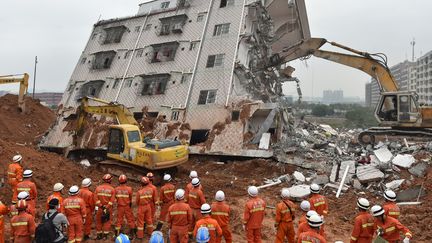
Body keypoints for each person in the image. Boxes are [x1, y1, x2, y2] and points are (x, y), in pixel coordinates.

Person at [94, 174, 115, 240]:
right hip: (108, 209)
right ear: (109, 180)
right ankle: (105, 236)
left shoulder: (98, 188)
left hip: (100, 208)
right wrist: (106, 207)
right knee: (107, 221)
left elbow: (95, 199)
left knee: (98, 221)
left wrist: (101, 206)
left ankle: (99, 235)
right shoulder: (112, 189)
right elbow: (112, 201)